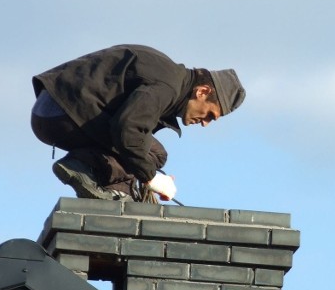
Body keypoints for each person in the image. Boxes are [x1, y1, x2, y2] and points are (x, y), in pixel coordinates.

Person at [30, 44, 245, 202]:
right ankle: (81, 165)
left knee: (150, 154)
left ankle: (118, 196)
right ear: (202, 91)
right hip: (59, 113)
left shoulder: (171, 79)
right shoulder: (168, 85)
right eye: (210, 115)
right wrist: (151, 178)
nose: (205, 123)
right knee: (149, 153)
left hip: (53, 111)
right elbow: (127, 130)